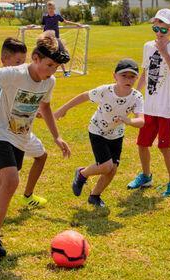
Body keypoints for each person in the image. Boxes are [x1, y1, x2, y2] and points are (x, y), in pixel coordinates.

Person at [0, 31, 71, 257]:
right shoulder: (15, 73)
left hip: (20, 137)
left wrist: (56, 136)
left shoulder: (48, 82)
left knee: (4, 179)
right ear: (35, 58)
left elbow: (45, 107)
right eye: (48, 65)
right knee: (11, 179)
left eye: (55, 68)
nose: (51, 71)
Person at [55, 59, 145, 208]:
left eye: (132, 76)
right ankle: (82, 173)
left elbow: (141, 121)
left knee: (112, 169)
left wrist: (128, 121)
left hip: (116, 135)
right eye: (124, 76)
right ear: (115, 76)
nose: (128, 79)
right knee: (105, 166)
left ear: (136, 78)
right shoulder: (105, 91)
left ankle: (95, 196)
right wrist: (62, 110)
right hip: (97, 131)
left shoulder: (136, 97)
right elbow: (84, 96)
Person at [127, 8, 170, 198]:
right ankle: (146, 176)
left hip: (166, 109)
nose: (158, 33)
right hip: (149, 107)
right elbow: (144, 73)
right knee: (142, 144)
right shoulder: (147, 46)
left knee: (164, 146)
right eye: (155, 28)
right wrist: (133, 94)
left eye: (163, 29)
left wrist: (165, 53)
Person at [0, 37, 51, 208]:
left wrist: (35, 110)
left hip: (23, 131)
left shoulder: (21, 76)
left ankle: (27, 195)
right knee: (5, 178)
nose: (22, 66)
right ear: (4, 60)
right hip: (7, 133)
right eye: (18, 62)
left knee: (41, 156)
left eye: (23, 61)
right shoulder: (5, 80)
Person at [30, 1, 83, 77]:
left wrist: (76, 24)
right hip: (46, 40)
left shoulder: (57, 16)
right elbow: (42, 26)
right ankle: (39, 70)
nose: (50, 9)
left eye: (52, 8)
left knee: (59, 55)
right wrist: (33, 26)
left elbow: (65, 21)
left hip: (55, 39)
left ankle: (65, 72)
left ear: (54, 8)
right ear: (47, 9)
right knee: (44, 55)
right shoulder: (45, 17)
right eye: (49, 8)